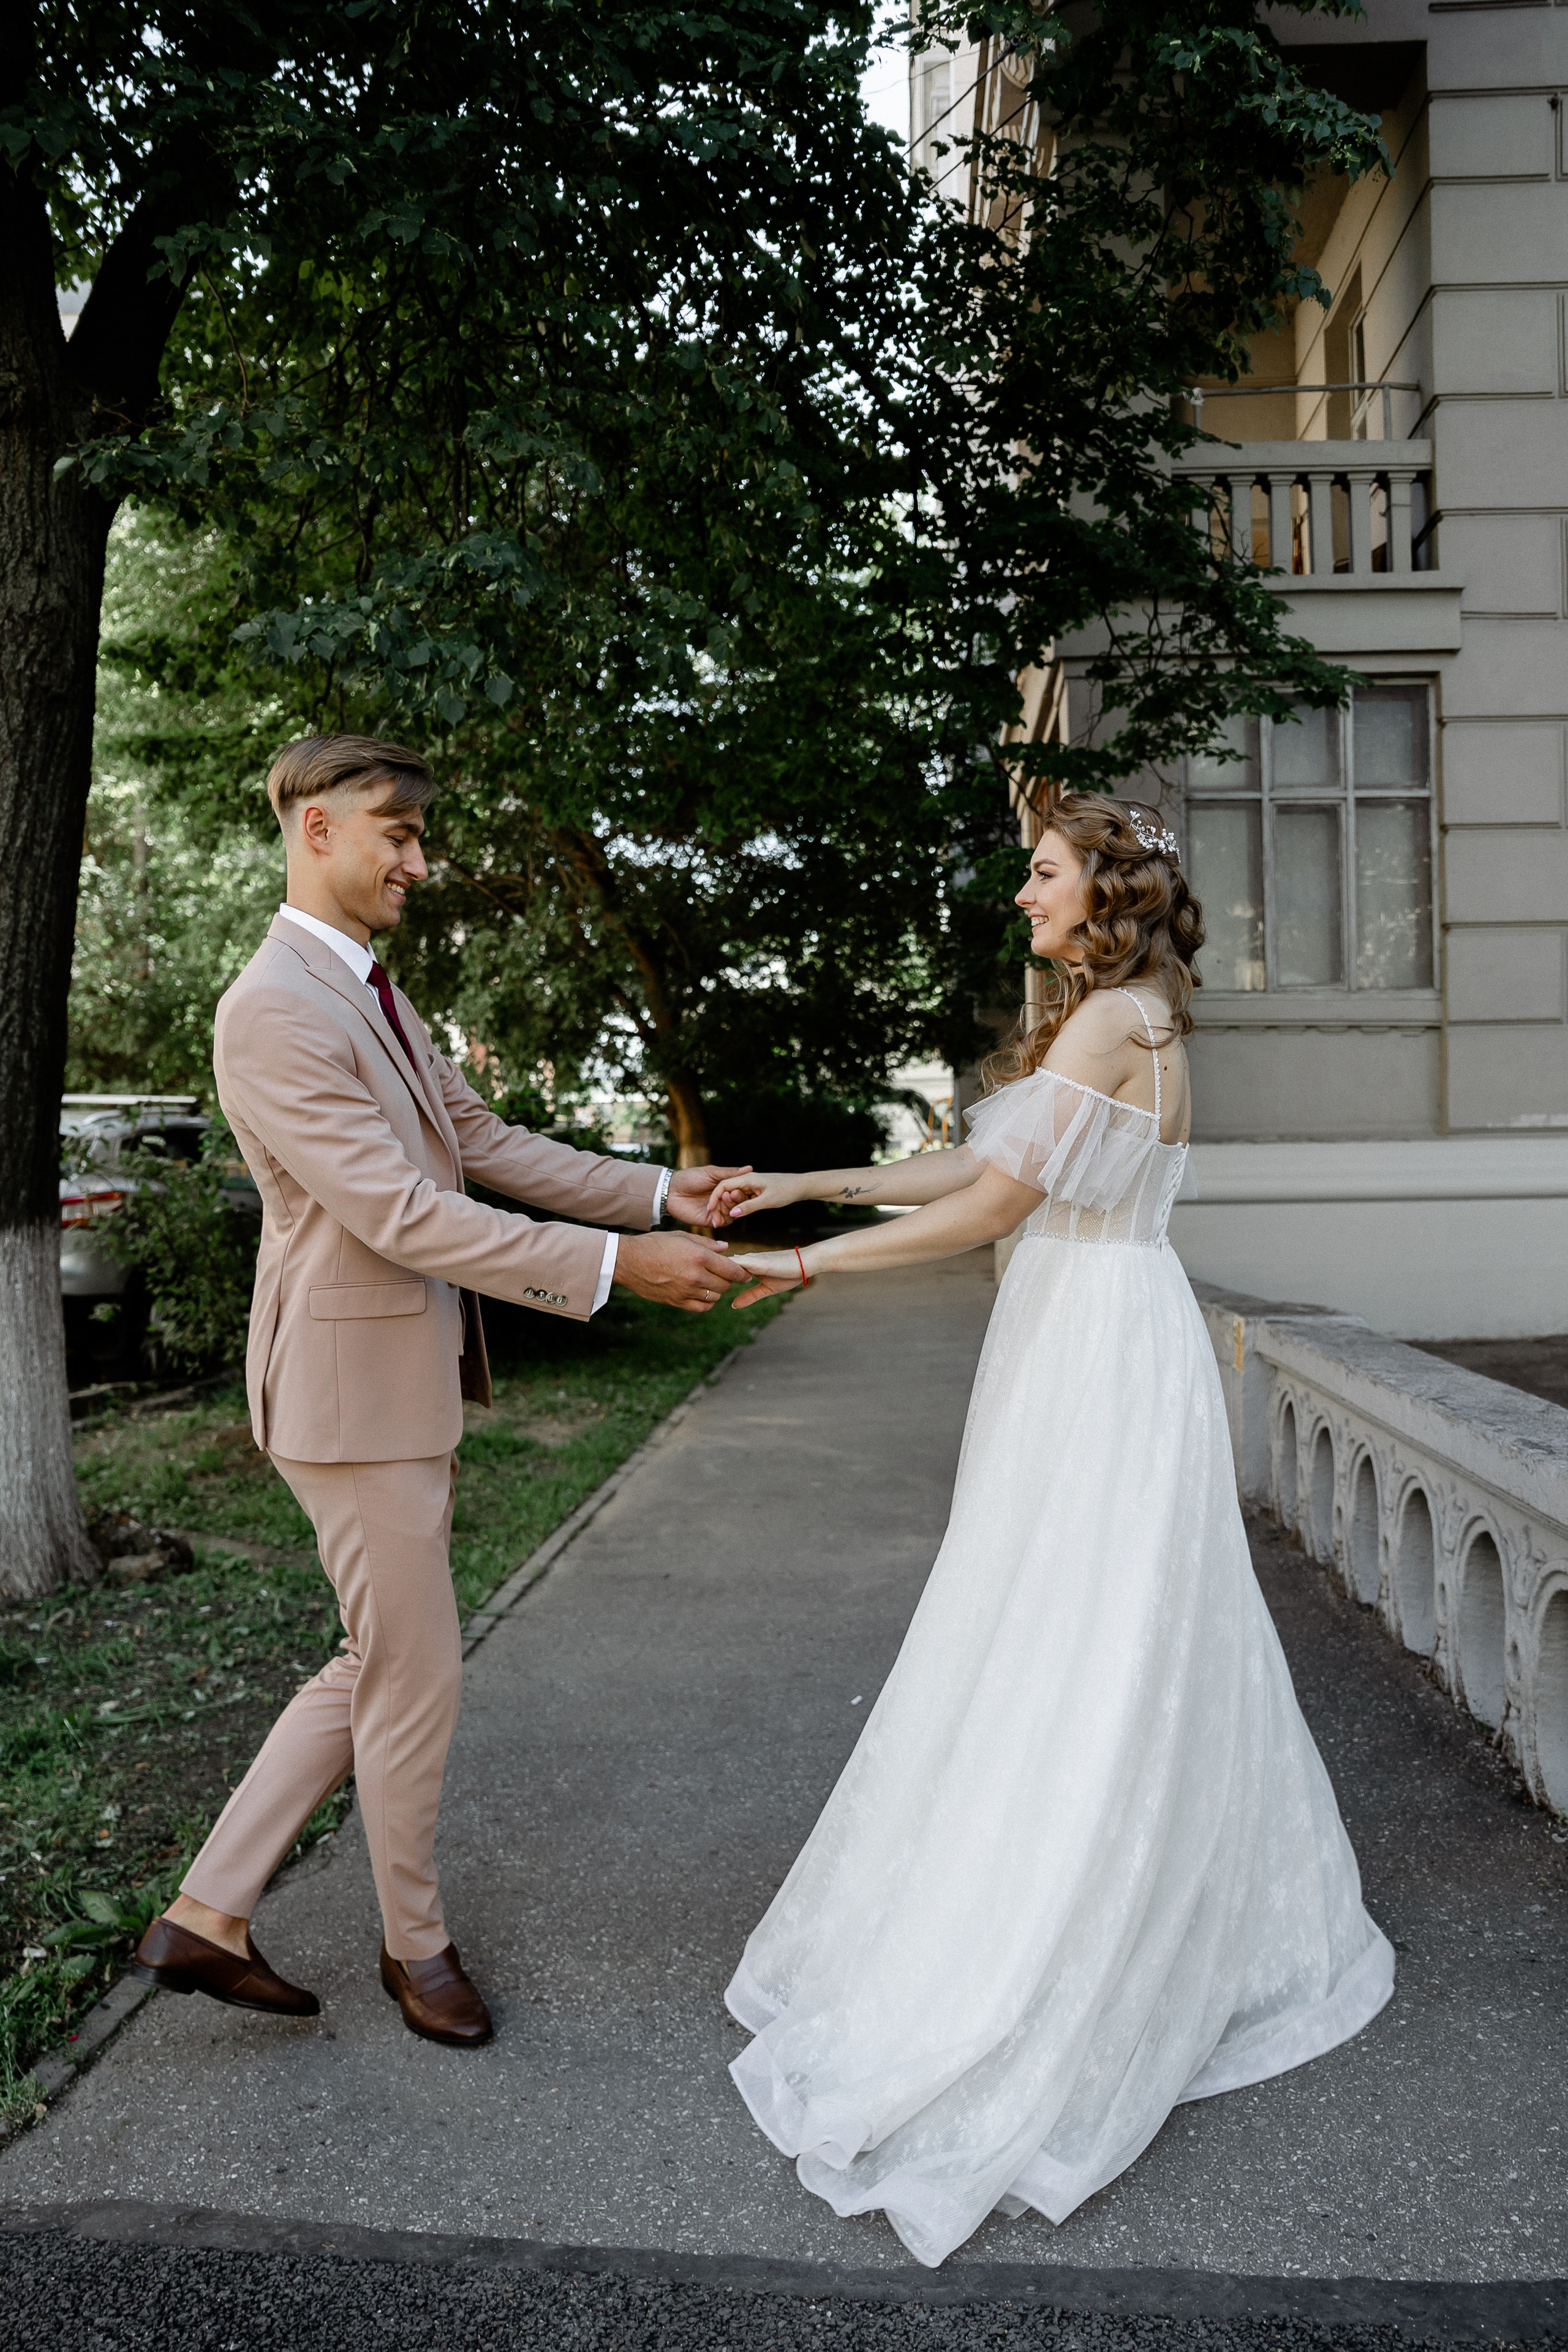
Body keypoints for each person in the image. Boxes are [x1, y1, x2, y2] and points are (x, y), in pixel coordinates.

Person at [707, 793, 1394, 2267]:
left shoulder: (1104, 1029)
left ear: (1105, 888)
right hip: (1106, 1326)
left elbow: (985, 1212)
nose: (1022, 892)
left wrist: (804, 1266)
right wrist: (809, 1181)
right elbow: (972, 1169)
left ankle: (1054, 1924)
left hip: (1090, 1343)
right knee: (1091, 1622)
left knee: (1065, 1630)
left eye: (1041, 872)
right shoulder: (1134, 1016)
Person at [133, 733, 743, 2046]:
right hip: (346, 1397)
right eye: (397, 834)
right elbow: (402, 1213)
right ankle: (416, 1950)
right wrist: (615, 1268)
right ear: (316, 830)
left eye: (420, 835)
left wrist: (655, 1193)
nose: (420, 860)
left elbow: (477, 1140)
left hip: (384, 1386)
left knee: (382, 1658)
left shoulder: (366, 986)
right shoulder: (272, 1008)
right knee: (415, 1676)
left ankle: (207, 1913)